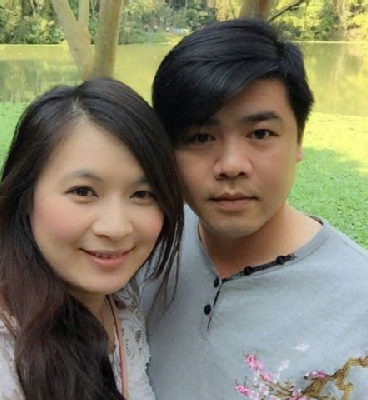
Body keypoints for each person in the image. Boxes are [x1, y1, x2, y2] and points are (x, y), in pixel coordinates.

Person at [142, 19, 368, 399]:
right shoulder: (142, 244)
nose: (231, 165)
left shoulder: (358, 300)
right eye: (200, 137)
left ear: (299, 140)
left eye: (260, 134)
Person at [0, 77, 183, 400]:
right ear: (26, 197)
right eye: (83, 191)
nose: (116, 228)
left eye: (142, 194)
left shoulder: (124, 308)